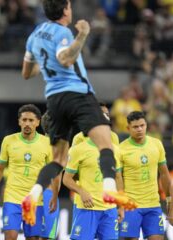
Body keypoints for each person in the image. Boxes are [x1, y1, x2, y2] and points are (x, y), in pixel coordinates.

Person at [21, 0, 130, 223]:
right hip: (78, 93)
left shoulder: (35, 35)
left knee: (58, 160)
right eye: (69, 6)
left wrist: (45, 63)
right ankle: (109, 189)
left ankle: (33, 195)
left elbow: (26, 73)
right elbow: (66, 58)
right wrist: (82, 35)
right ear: (65, 10)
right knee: (106, 144)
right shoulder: (63, 32)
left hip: (53, 99)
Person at [0, 104, 52, 240]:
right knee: (10, 236)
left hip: (35, 199)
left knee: (32, 238)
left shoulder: (46, 143)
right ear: (19, 121)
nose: (27, 123)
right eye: (24, 120)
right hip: (12, 197)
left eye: (31, 120)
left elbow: (51, 173)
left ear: (38, 122)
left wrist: (52, 196)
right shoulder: (9, 141)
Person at [63, 131, 131, 240]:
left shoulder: (115, 149)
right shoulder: (78, 148)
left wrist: (121, 206)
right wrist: (81, 191)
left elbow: (118, 178)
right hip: (87, 207)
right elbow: (66, 178)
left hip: (109, 209)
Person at [118, 111, 171, 240]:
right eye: (135, 127)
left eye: (142, 125)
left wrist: (169, 197)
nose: (140, 129)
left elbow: (164, 173)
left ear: (146, 125)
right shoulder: (121, 149)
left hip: (153, 204)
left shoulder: (156, 144)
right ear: (128, 128)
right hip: (131, 206)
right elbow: (118, 179)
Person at [40, 112, 60, 240]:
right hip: (48, 194)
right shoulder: (54, 147)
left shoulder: (37, 143)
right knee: (47, 236)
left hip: (34, 192)